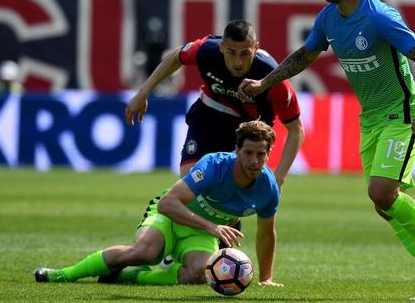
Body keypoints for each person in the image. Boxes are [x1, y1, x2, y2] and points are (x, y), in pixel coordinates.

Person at [239, 0, 415, 301]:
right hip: (370, 117)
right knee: (383, 203)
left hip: (401, 112)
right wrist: (265, 83)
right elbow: (304, 56)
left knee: (381, 193)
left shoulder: (380, 16)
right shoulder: (328, 18)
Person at [34, 120, 283, 287]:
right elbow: (168, 204)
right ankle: (63, 274)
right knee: (145, 253)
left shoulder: (268, 188)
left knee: (199, 275)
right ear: (237, 150)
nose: (253, 160)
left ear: (269, 154)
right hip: (170, 216)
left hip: (200, 231)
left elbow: (266, 233)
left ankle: (128, 276)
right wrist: (212, 227)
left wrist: (267, 278)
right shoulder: (214, 166)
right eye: (248, 153)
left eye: (261, 154)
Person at [125, 19, 304, 188]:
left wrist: (279, 177)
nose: (238, 62)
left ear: (255, 49)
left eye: (245, 54)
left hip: (247, 134)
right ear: (222, 47)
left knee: (229, 194)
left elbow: (296, 130)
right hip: (208, 115)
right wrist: (143, 93)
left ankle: (228, 220)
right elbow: (177, 56)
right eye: (231, 52)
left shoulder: (273, 78)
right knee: (191, 184)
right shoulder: (206, 50)